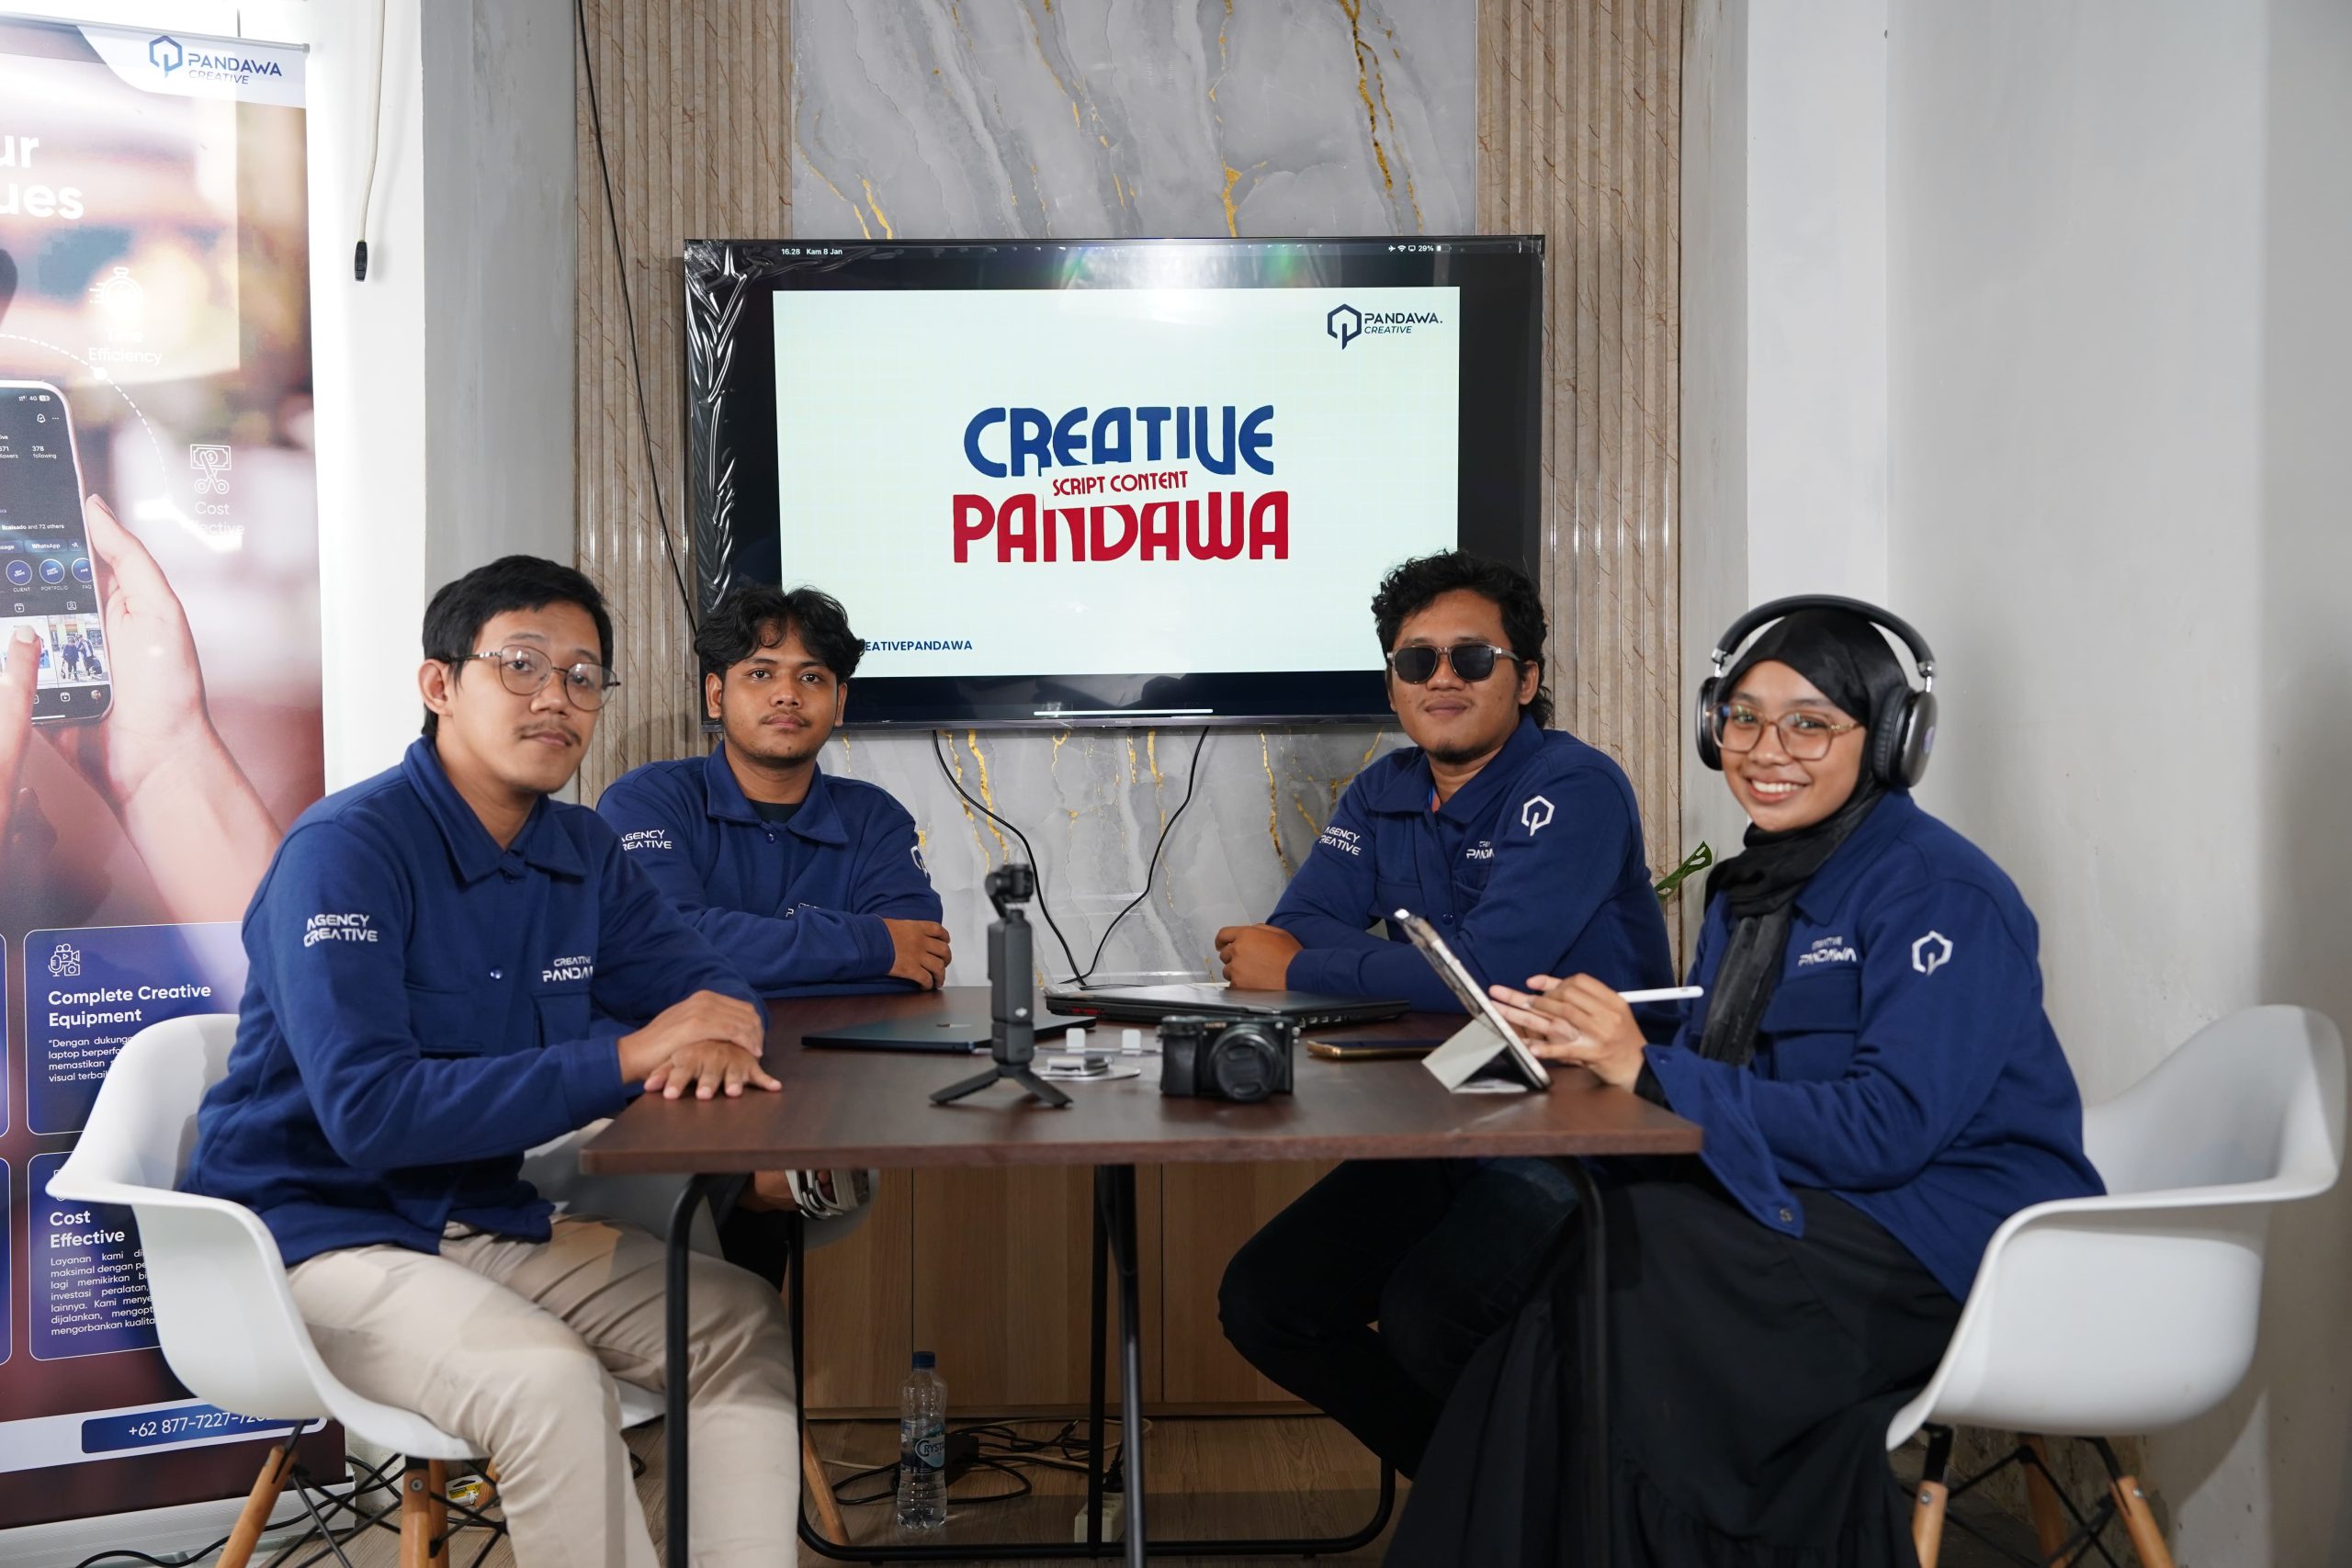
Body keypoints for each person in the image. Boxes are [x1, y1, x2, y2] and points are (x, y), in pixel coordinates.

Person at [1387, 600, 2106, 1568]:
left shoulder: (1938, 892)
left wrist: (1646, 1068)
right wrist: (1581, 1049)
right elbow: (1720, 1074)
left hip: (1943, 1247)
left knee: (1632, 1276)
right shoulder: (1753, 890)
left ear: (1890, 741)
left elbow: (1889, 1127)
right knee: (1581, 1265)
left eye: (1810, 723)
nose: (1768, 750)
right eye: (1743, 718)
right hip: (1807, 1209)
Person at [182, 556, 799, 1568]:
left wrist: (712, 1029)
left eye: (583, 676)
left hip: (481, 1215)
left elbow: (716, 994)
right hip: (316, 1237)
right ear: (439, 684)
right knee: (547, 1381)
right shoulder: (346, 850)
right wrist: (632, 1054)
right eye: (521, 665)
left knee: (736, 1320)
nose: (556, 697)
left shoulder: (583, 851)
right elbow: (372, 1113)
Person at [1213, 550, 1674, 1478]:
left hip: (1587, 1130)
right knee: (1269, 1300)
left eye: (1472, 658)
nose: (1442, 679)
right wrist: (1354, 961)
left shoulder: (1574, 787)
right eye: (1416, 660)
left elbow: (1489, 976)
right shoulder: (1381, 790)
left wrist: (1303, 967)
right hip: (1453, 1116)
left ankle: (1571, 1511)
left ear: (1526, 679)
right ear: (1393, 683)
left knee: (1431, 1315)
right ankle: (1473, 1503)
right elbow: (1303, 920)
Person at [598, 583, 949, 997]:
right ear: (716, 695)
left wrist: (726, 962)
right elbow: (658, 950)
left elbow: (917, 963)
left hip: (853, 1042)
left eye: (811, 677)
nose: (787, 695)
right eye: (760, 673)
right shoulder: (647, 800)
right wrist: (869, 946)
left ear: (838, 703)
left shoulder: (876, 818)